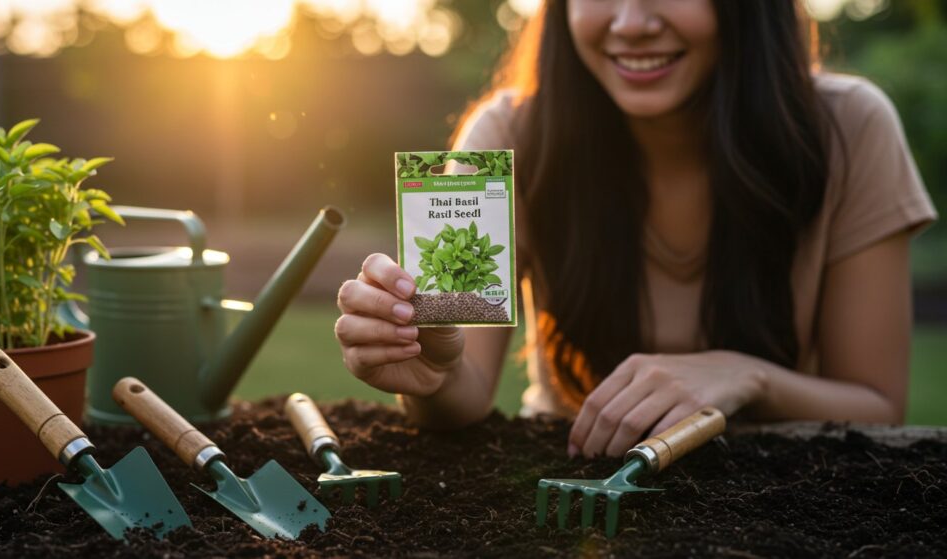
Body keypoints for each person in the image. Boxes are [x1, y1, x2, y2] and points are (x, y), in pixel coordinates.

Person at [335, 0, 938, 458]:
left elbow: (878, 409)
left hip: (785, 491)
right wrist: (431, 373)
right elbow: (460, 399)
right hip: (573, 469)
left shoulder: (851, 129)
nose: (629, 21)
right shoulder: (507, 138)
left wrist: (746, 376)